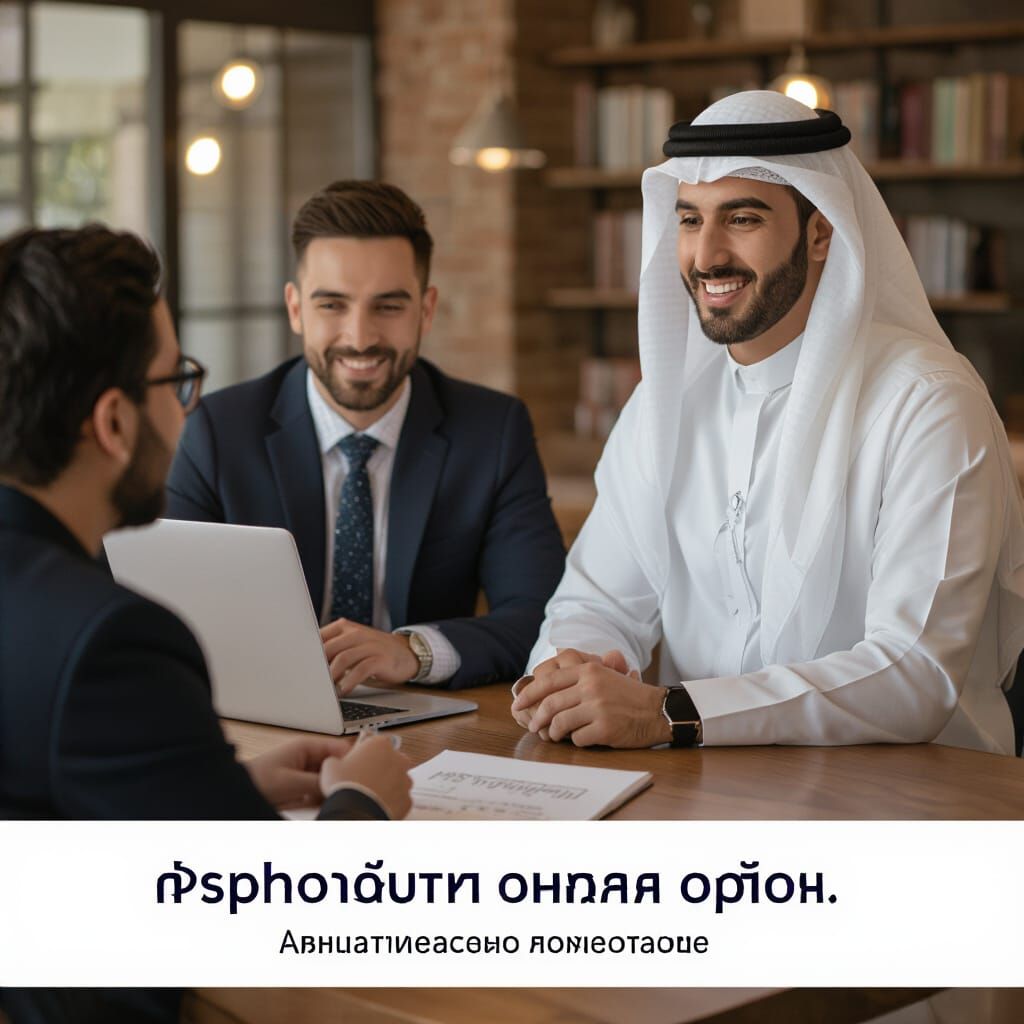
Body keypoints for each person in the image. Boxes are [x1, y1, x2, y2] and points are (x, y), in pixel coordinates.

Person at [513, 91, 1024, 755]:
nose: (707, 255)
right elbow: (597, 601)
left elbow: (913, 674)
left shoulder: (927, 403)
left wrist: (672, 713)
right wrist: (567, 676)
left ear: (821, 233)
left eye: (742, 218)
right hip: (704, 792)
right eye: (690, 220)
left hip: (913, 803)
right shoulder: (662, 407)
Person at [0, 224, 412, 824]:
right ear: (114, 422)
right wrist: (363, 801)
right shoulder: (115, 644)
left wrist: (221, 786)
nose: (187, 408)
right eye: (176, 380)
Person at [165, 179, 565, 693]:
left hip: (428, 724)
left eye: (388, 306)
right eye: (332, 305)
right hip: (262, 716)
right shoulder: (217, 432)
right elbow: (165, 609)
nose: (359, 337)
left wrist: (412, 651)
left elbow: (541, 616)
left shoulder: (493, 432)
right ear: (295, 309)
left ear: (426, 308)